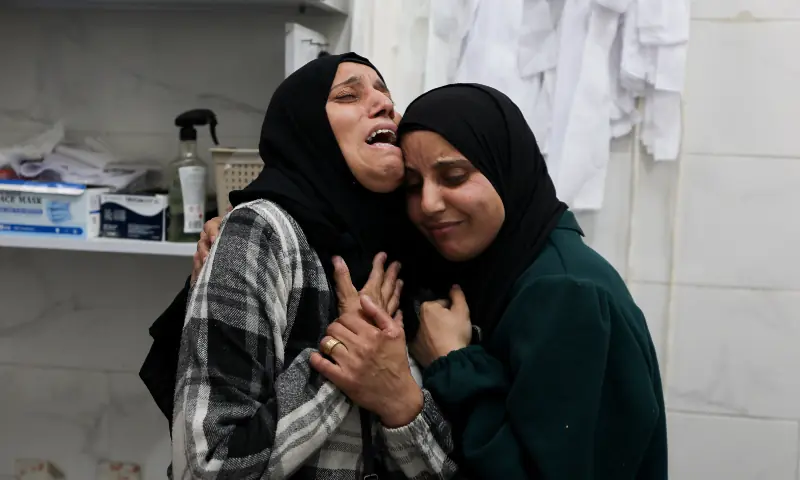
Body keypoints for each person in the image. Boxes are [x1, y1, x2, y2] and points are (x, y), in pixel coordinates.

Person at [316, 83, 667, 479]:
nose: (429, 204)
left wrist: (455, 365)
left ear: (506, 168)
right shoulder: (483, 272)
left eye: (454, 176)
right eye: (414, 185)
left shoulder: (566, 294)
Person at [149, 52, 458, 479]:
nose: (384, 103)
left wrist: (401, 403)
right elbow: (207, 467)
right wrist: (341, 361)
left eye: (385, 92)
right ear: (307, 130)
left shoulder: (418, 247)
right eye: (348, 95)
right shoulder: (262, 234)